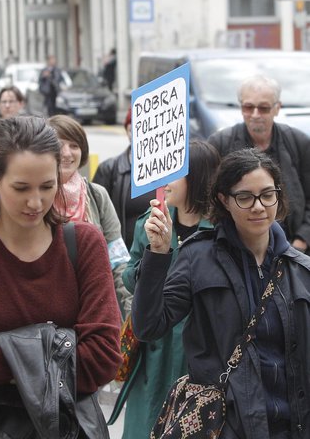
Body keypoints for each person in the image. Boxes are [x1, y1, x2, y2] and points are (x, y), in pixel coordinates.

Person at [0, 117, 122, 437]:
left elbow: (103, 357)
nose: (36, 202)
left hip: (71, 427)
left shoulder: (85, 243)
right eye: (21, 188)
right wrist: (60, 352)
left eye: (47, 186)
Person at [132, 148, 310, 438]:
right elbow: (149, 325)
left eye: (267, 194)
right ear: (223, 199)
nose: (258, 206)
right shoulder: (197, 257)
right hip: (224, 426)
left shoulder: (300, 270)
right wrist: (158, 254)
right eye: (245, 197)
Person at [120, 140, 220, 439]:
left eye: (173, 172)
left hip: (197, 348)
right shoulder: (148, 224)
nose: (163, 182)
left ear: (198, 176)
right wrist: (155, 253)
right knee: (146, 425)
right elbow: (128, 277)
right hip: (153, 349)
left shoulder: (219, 231)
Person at [208, 75, 310, 254]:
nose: (255, 115)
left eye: (263, 108)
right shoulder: (220, 144)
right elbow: (209, 200)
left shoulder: (299, 143)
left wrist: (301, 241)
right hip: (234, 250)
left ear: (277, 108)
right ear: (241, 108)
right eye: (248, 107)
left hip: (294, 249)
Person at [49, 114, 132, 315]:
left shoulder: (97, 195)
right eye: (59, 145)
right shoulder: (35, 197)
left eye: (74, 145)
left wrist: (130, 309)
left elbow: (118, 260)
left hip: (92, 308)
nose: (67, 153)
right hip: (47, 308)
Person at [93, 109, 155, 249]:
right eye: (133, 128)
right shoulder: (109, 169)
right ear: (127, 131)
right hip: (124, 258)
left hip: (164, 256)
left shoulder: (171, 171)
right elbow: (96, 219)